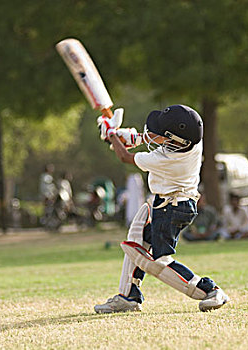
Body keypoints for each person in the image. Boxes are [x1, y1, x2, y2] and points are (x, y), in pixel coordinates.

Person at [94, 105, 229, 314]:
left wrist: (112, 134)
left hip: (172, 207)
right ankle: (128, 296)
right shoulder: (192, 142)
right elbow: (157, 138)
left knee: (157, 261)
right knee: (136, 239)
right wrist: (130, 137)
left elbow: (125, 158)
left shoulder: (166, 159)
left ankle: (209, 290)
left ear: (177, 141)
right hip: (166, 202)